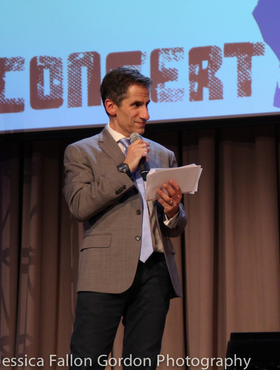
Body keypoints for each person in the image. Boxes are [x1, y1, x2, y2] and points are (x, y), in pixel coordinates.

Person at [63, 67, 187, 369]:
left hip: (155, 273)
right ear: (111, 106)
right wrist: (124, 168)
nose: (145, 114)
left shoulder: (162, 154)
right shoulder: (81, 152)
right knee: (87, 361)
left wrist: (173, 212)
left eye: (147, 105)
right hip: (105, 271)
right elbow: (79, 205)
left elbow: (176, 225)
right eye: (136, 105)